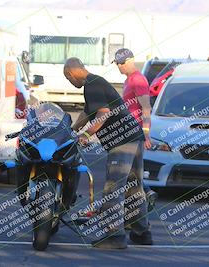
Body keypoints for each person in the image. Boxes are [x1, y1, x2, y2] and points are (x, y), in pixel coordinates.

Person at [63, 57, 153, 249]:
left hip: (122, 141)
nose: (70, 82)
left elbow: (103, 113)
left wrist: (86, 134)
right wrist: (70, 130)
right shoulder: (95, 83)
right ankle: (142, 233)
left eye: (68, 79)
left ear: (71, 73)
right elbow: (87, 114)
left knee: (114, 187)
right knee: (133, 187)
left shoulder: (92, 84)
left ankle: (115, 236)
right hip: (133, 137)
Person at [113, 48, 158, 211]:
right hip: (128, 133)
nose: (118, 67)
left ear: (125, 63)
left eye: (118, 64)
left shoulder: (138, 80)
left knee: (130, 173)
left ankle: (144, 199)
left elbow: (146, 108)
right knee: (131, 173)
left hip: (135, 134)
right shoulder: (129, 79)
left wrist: (146, 135)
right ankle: (143, 199)